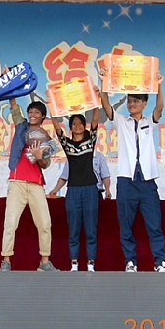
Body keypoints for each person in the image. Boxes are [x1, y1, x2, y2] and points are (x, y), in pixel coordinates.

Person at [99, 70, 165, 273]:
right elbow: (106, 105)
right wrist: (104, 82)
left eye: (136, 101)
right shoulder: (121, 121)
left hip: (147, 182)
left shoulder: (150, 121)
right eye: (130, 101)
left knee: (154, 225)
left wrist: (158, 84)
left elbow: (160, 107)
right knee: (126, 225)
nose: (132, 104)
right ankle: (130, 262)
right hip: (126, 181)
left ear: (144, 103)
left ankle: (160, 262)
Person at [0, 97, 58, 272]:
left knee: (45, 223)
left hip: (36, 184)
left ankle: (45, 261)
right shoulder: (21, 127)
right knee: (10, 223)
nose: (32, 115)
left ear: (43, 117)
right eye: (30, 112)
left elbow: (45, 164)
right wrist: (11, 92)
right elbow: (15, 109)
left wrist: (39, 157)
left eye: (36, 112)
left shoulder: (46, 138)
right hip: (17, 182)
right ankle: (6, 260)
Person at [47, 109, 105, 272]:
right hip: (73, 190)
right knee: (73, 228)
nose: (77, 126)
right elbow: (57, 128)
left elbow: (95, 122)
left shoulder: (90, 141)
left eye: (80, 123)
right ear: (70, 127)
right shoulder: (68, 145)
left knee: (91, 228)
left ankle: (91, 263)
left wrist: (96, 104)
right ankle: (74, 263)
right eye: (74, 124)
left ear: (84, 126)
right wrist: (53, 108)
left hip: (90, 189)